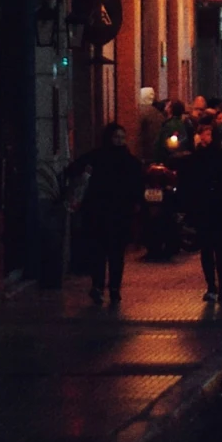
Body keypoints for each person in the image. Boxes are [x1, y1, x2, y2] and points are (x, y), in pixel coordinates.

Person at [66, 122, 145, 307]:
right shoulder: (99, 158)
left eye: (122, 137)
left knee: (115, 254)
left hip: (116, 213)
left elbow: (137, 185)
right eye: (116, 137)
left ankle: (113, 288)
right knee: (101, 253)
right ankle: (99, 286)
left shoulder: (127, 161)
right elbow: (74, 169)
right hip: (101, 213)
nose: (119, 141)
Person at [178, 118, 222, 302]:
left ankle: (216, 286)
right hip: (216, 207)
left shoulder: (205, 157)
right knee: (216, 248)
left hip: (211, 207)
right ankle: (218, 286)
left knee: (212, 248)